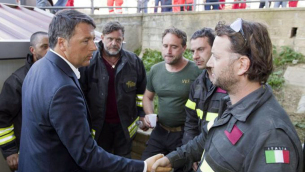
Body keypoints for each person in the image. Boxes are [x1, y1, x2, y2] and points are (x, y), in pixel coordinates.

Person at [149, 18, 304, 172]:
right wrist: (173, 159)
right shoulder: (233, 105)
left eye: (216, 57)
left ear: (242, 65)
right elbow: (206, 139)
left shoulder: (272, 136)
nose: (209, 64)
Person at [18, 9, 160, 172]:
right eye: (86, 40)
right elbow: (87, 156)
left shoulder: (38, 67)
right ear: (62, 43)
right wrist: (143, 166)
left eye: (93, 39)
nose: (93, 47)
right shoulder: (64, 89)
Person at [79, 21, 147, 158]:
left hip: (125, 125)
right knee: (100, 161)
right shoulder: (89, 61)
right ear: (102, 38)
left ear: (123, 40)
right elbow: (81, 93)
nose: (114, 43)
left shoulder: (134, 62)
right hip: (98, 126)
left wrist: (142, 114)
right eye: (110, 39)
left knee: (124, 161)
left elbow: (141, 92)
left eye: (118, 40)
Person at [141, 27, 201, 168]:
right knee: (145, 167)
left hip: (184, 136)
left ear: (184, 48)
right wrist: (150, 115)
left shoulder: (196, 71)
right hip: (159, 132)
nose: (168, 51)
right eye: (165, 46)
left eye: (174, 47)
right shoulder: (156, 69)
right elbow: (147, 97)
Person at [0, 31, 49, 171]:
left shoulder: (60, 75)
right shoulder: (18, 81)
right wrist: (10, 151)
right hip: (29, 157)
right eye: (44, 46)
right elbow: (2, 116)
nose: (49, 50)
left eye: (52, 46)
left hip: (54, 156)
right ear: (33, 50)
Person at [182, 28, 227, 171]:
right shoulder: (197, 84)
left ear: (214, 49)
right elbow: (190, 122)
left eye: (200, 49)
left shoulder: (229, 84)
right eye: (192, 51)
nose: (195, 56)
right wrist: (192, 155)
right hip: (198, 151)